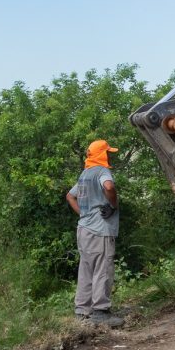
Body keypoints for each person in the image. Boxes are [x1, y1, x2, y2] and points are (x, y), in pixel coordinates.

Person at [65, 139, 124, 328]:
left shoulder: (85, 174)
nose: (110, 156)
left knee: (86, 269)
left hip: (83, 229)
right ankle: (100, 312)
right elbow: (109, 187)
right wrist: (113, 205)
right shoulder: (102, 171)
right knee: (102, 269)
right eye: (108, 153)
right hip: (100, 230)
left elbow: (70, 196)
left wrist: (84, 214)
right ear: (102, 154)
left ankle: (82, 312)